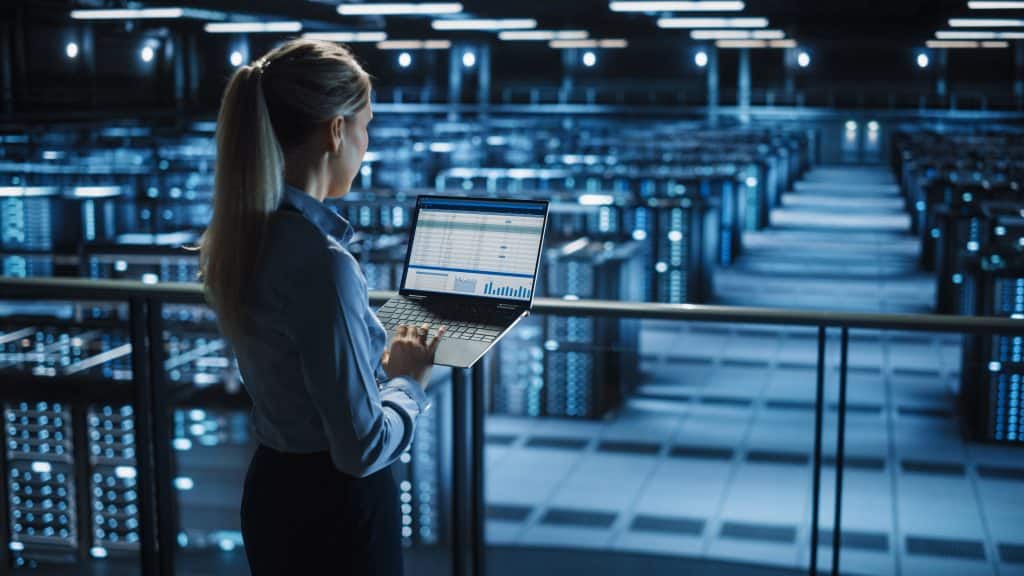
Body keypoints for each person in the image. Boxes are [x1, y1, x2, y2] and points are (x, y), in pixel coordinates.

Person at [198, 38, 444, 575]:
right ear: (336, 131)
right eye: (366, 126)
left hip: (275, 492)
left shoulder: (244, 239)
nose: (366, 144)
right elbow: (361, 449)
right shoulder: (321, 262)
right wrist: (409, 382)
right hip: (335, 515)